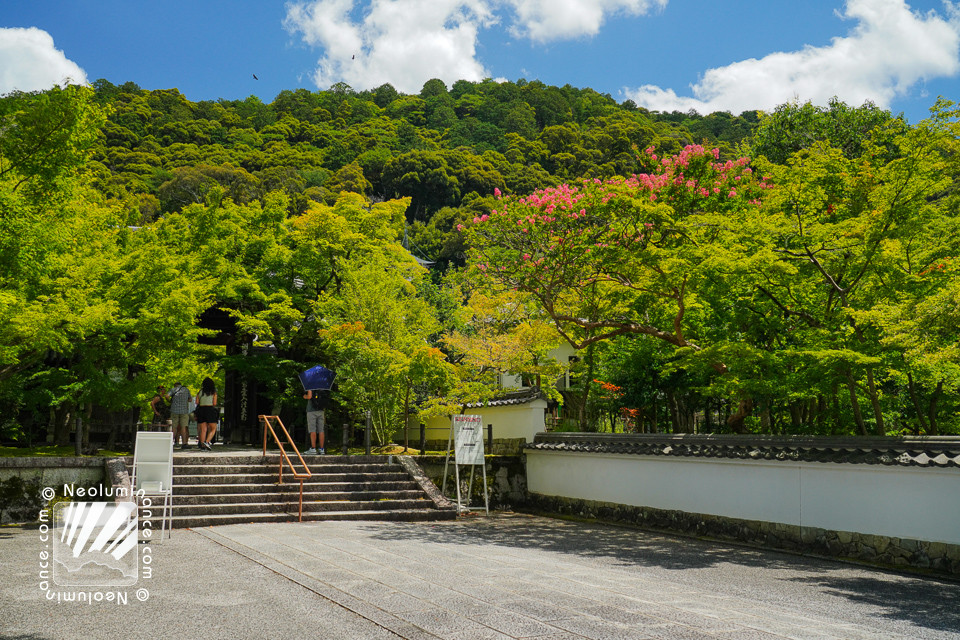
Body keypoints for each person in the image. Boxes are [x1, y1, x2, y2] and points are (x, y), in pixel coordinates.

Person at [195, 377, 218, 451]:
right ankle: (207, 442)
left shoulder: (200, 391)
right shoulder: (213, 392)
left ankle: (202, 446)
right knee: (213, 428)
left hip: (201, 410)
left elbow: (197, 402)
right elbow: (214, 403)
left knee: (203, 429)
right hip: (210, 410)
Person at [303, 388, 328, 455]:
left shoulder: (311, 386)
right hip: (321, 410)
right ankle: (322, 449)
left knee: (312, 429)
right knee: (321, 430)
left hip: (311, 411)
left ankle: (313, 448)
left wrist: (305, 396)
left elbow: (309, 396)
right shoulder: (322, 386)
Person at [168, 382, 192, 450]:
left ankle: (170, 442)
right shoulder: (186, 390)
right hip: (184, 411)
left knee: (174, 427)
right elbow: (190, 399)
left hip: (174, 410)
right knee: (183, 427)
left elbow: (167, 396)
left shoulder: (173, 390)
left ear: (175, 385)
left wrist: (170, 401)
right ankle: (184, 443)